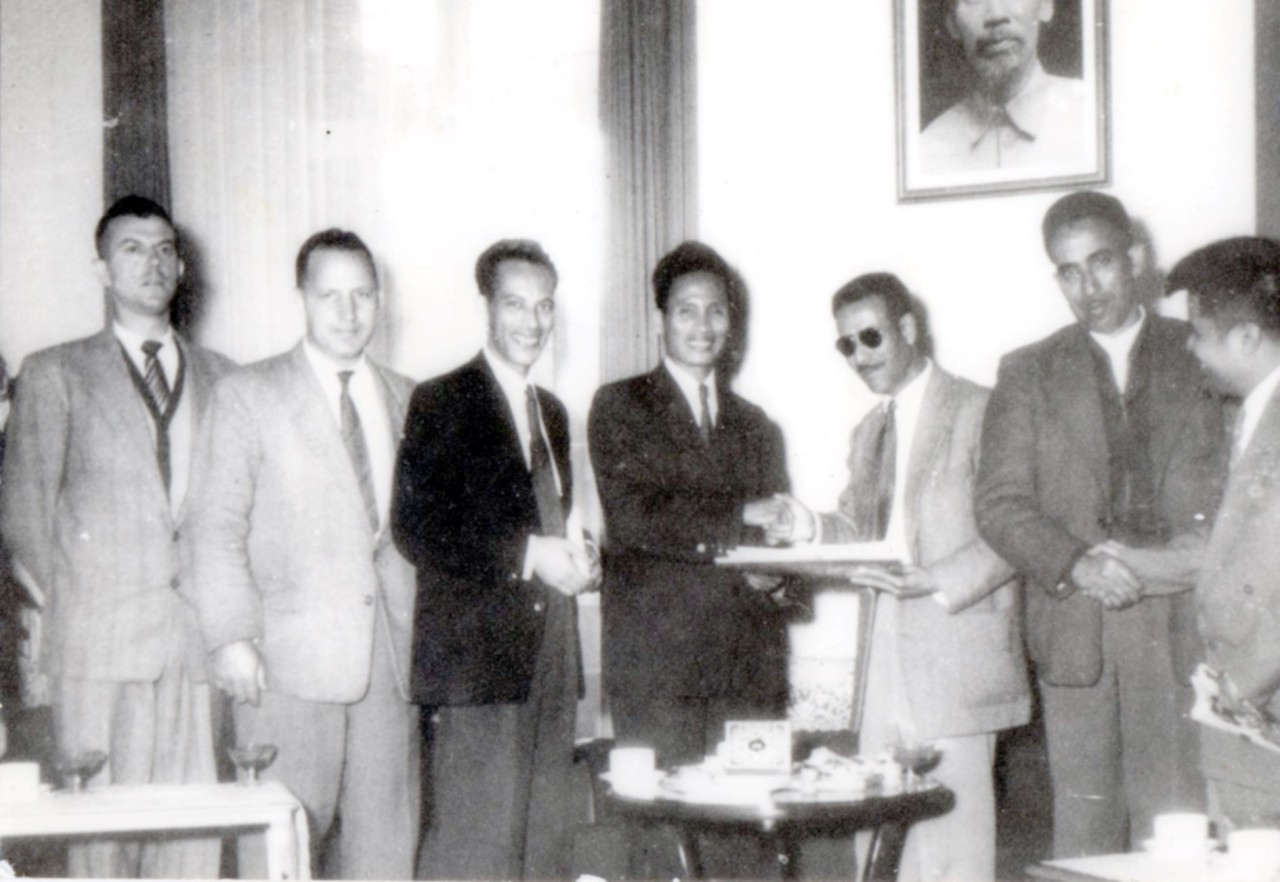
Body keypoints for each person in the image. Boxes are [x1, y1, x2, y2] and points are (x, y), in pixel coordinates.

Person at [975, 191, 1228, 857]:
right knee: (1083, 840)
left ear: (1136, 258)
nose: (1088, 287)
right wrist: (1080, 563)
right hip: (1078, 625)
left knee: (1176, 835)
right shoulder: (1026, 371)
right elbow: (999, 504)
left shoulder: (1203, 352)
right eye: (1068, 271)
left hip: (1181, 627)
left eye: (1102, 263)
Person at [768, 273, 1030, 882]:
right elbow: (860, 528)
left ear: (909, 328)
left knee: (954, 854)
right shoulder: (868, 432)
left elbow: (1018, 528)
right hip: (881, 652)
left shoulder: (980, 408)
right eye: (846, 345)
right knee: (878, 840)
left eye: (870, 337)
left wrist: (937, 580)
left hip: (955, 650)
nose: (858, 356)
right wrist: (806, 524)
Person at [0, 195, 233, 878]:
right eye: (132, 248)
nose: (152, 262)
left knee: (194, 840)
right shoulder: (55, 373)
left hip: (193, 649)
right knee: (101, 844)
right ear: (101, 268)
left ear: (182, 265)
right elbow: (26, 516)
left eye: (165, 249)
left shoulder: (226, 377)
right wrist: (72, 617)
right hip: (96, 651)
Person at [186, 229, 419, 879]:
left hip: (390, 664)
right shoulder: (247, 394)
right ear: (302, 299)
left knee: (385, 852)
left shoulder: (409, 397)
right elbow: (214, 528)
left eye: (363, 296)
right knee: (279, 851)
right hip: (284, 665)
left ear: (381, 301)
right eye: (330, 296)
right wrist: (231, 636)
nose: (348, 313)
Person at [393, 239, 599, 880]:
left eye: (544, 307)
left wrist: (582, 553)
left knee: (545, 844)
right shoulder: (442, 399)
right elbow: (416, 528)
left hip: (552, 655)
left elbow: (550, 520)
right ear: (486, 306)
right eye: (516, 304)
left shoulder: (554, 413)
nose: (532, 323)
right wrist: (529, 553)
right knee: (476, 848)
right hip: (476, 664)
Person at [588, 241, 791, 769]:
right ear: (661, 321)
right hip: (659, 673)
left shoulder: (758, 425)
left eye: (717, 310)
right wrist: (739, 517)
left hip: (749, 672)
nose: (703, 325)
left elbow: (779, 536)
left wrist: (782, 576)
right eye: (686, 310)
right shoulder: (619, 406)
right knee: (668, 837)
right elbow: (633, 519)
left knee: (747, 837)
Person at [1163, 237, 1280, 829]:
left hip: (1262, 717)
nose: (1190, 347)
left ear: (1246, 338)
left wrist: (1240, 689)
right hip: (1245, 725)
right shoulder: (1253, 414)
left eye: (1198, 332)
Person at [921, 0, 1091, 174]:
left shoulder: (1093, 118)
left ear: (1046, 5)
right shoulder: (927, 150)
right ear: (952, 23)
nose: (995, 15)